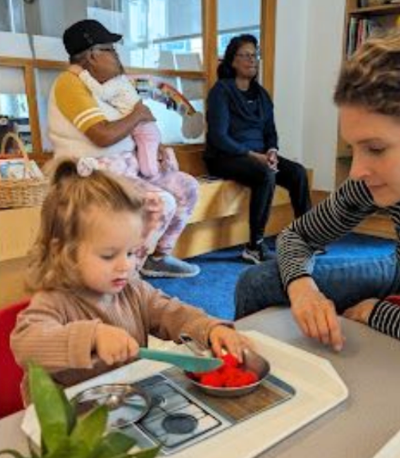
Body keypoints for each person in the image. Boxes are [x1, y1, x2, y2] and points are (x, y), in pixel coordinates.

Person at [235, 25, 400, 363]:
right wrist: (303, 288)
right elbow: (297, 236)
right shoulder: (376, 179)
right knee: (257, 283)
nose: (356, 171)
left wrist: (378, 314)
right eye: (353, 147)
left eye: (376, 148)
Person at [11, 158, 252, 396]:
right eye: (108, 255)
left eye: (131, 252)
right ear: (64, 252)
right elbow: (25, 345)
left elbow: (172, 312)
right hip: (67, 420)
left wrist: (210, 329)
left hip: (124, 403)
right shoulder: (54, 300)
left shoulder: (133, 290)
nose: (125, 265)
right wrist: (92, 338)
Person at [48, 19, 199, 278]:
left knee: (186, 186)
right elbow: (102, 136)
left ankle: (158, 257)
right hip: (90, 175)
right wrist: (139, 115)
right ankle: (128, 275)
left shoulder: (112, 86)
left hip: (127, 168)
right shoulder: (69, 83)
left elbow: (131, 125)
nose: (118, 56)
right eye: (112, 49)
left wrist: (156, 146)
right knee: (160, 202)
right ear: (93, 55)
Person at [204, 34, 311, 264]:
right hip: (225, 156)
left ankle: (307, 239)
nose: (252, 60)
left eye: (254, 55)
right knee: (266, 173)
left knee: (298, 173)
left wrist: (271, 151)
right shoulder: (221, 91)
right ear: (232, 61)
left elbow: (270, 131)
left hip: (259, 155)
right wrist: (254, 156)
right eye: (245, 55)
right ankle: (254, 247)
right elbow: (218, 137)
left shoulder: (262, 95)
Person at [68, 63, 179, 179]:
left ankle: (168, 158)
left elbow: (101, 93)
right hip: (141, 131)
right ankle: (163, 161)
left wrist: (82, 74)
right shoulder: (123, 82)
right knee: (143, 163)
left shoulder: (117, 83)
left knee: (148, 171)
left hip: (146, 133)